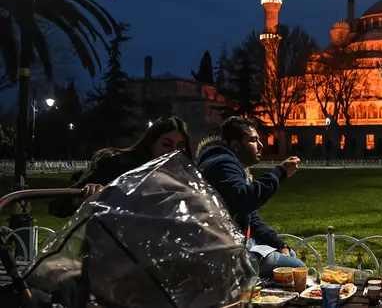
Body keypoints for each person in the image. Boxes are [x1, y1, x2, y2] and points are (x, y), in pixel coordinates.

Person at [196, 116, 304, 278]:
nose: (260, 145)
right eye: (253, 140)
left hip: (234, 246)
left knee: (291, 257)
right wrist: (279, 172)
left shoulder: (227, 163)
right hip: (224, 255)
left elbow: (249, 216)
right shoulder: (222, 164)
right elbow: (244, 200)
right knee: (296, 269)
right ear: (235, 145)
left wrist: (278, 243)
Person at [48, 116, 192, 218]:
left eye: (180, 146)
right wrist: (82, 198)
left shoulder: (187, 179)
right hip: (111, 252)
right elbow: (57, 205)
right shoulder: (118, 165)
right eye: (167, 144)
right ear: (152, 144)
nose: (173, 152)